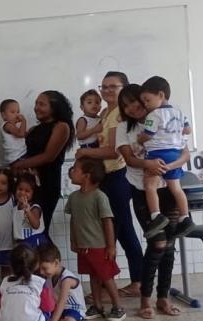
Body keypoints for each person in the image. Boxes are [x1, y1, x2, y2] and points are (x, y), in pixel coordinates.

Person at [116, 83, 189, 319]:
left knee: (169, 246)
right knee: (157, 243)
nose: (132, 108)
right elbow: (128, 158)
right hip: (142, 191)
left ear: (145, 99)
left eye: (135, 102)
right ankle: (145, 299)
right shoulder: (123, 128)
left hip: (168, 188)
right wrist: (148, 164)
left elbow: (185, 152)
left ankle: (163, 299)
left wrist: (171, 166)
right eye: (125, 105)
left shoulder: (165, 118)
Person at [76, 71, 143, 297]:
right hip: (106, 178)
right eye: (103, 87)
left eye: (112, 87)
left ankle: (116, 283)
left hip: (117, 178)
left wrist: (83, 153)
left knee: (116, 232)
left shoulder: (120, 115)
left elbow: (113, 151)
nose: (106, 91)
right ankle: (131, 281)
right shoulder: (106, 112)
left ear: (124, 88)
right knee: (122, 232)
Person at [65, 157, 126, 321]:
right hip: (83, 246)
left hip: (99, 246)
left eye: (75, 169)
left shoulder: (100, 197)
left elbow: (107, 221)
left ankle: (118, 307)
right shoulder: (73, 197)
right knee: (93, 276)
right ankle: (97, 306)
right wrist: (73, 241)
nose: (72, 171)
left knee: (106, 276)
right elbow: (73, 220)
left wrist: (111, 246)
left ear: (87, 175)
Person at [138, 76, 193, 238]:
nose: (146, 105)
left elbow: (147, 135)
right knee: (176, 188)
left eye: (147, 100)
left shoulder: (153, 116)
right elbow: (188, 130)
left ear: (161, 95)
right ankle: (185, 217)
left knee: (150, 185)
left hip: (157, 154)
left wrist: (139, 139)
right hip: (175, 154)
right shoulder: (179, 112)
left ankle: (156, 215)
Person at [11, 90, 74, 233]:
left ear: (54, 107)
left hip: (48, 183)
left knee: (40, 228)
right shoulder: (34, 128)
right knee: (25, 228)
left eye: (42, 104)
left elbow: (48, 156)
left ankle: (49, 255)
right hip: (29, 184)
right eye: (36, 103)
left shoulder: (61, 126)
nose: (36, 107)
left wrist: (20, 165)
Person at [0, 244, 54, 321]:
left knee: (7, 309)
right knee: (46, 312)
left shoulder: (5, 282)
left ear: (11, 265)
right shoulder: (40, 283)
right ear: (36, 264)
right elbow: (49, 306)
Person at [38, 243, 86, 321]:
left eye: (44, 268)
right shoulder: (49, 276)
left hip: (73, 309)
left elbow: (61, 303)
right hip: (57, 309)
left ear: (56, 263)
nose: (41, 272)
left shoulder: (66, 279)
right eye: (39, 268)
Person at [12, 173, 47, 247]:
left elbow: (36, 225)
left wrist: (28, 211)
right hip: (20, 243)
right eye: (20, 189)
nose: (22, 193)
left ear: (33, 193)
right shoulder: (15, 208)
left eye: (27, 191)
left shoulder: (34, 208)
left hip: (34, 242)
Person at [0, 99, 27, 165]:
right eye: (12, 112)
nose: (17, 115)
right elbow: (21, 134)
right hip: (16, 158)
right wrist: (24, 121)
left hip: (19, 156)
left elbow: (23, 135)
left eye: (18, 112)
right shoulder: (7, 125)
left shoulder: (13, 127)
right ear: (4, 115)